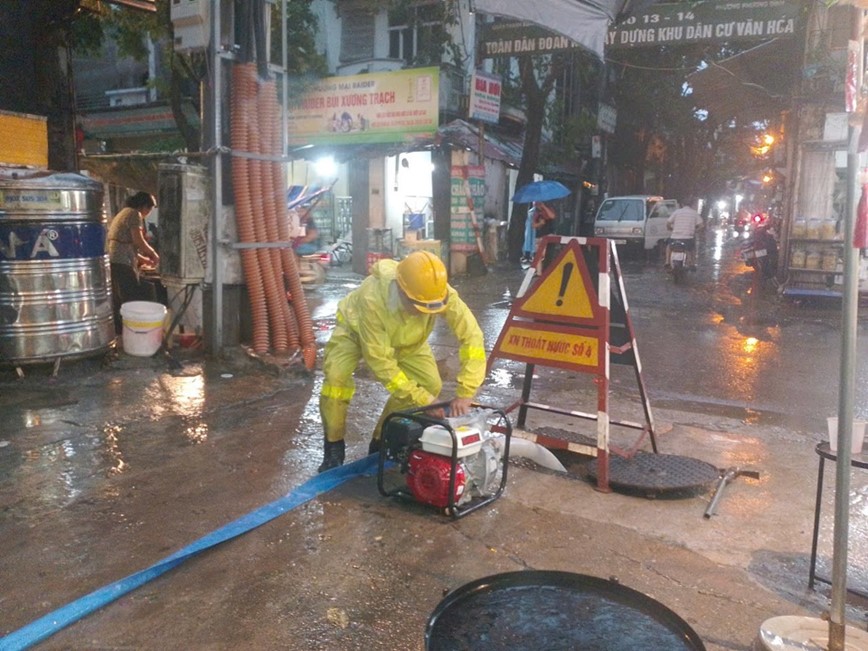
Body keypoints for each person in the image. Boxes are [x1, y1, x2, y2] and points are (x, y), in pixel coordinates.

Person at [317, 250, 486, 472]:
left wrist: (467, 391)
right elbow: (381, 362)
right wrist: (422, 399)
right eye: (418, 306)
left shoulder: (436, 292)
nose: (422, 313)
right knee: (336, 381)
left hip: (408, 342)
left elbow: (472, 337)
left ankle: (381, 440)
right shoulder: (373, 299)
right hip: (355, 332)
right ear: (402, 291)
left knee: (430, 384)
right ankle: (334, 446)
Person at [107, 191, 160, 334]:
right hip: (122, 261)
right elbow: (138, 241)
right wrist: (153, 254)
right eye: (149, 209)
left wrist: (144, 259)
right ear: (143, 206)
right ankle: (132, 331)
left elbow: (129, 244)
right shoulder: (134, 215)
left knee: (120, 297)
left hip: (116, 259)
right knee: (131, 298)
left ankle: (121, 331)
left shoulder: (124, 212)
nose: (148, 213)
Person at [665, 197, 704, 269]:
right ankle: (692, 263)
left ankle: (667, 262)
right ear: (691, 205)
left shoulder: (677, 212)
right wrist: (695, 231)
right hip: (688, 239)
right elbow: (701, 226)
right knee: (692, 248)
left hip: (675, 238)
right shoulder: (694, 213)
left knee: (668, 246)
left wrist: (670, 228)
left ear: (682, 204)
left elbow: (668, 223)